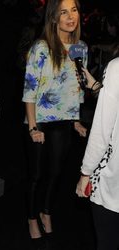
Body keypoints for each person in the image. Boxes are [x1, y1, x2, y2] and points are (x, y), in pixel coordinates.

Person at [22, 0, 98, 247]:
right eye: (63, 12)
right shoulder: (41, 48)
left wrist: (76, 120)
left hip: (65, 121)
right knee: (36, 175)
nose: (70, 16)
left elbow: (75, 87)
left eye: (74, 10)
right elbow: (30, 90)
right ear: (53, 17)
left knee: (56, 173)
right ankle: (32, 217)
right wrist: (33, 127)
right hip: (41, 121)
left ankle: (46, 211)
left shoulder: (80, 48)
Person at [76, 48, 119, 250]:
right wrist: (97, 86)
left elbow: (103, 129)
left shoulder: (117, 68)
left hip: (114, 185)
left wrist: (86, 172)